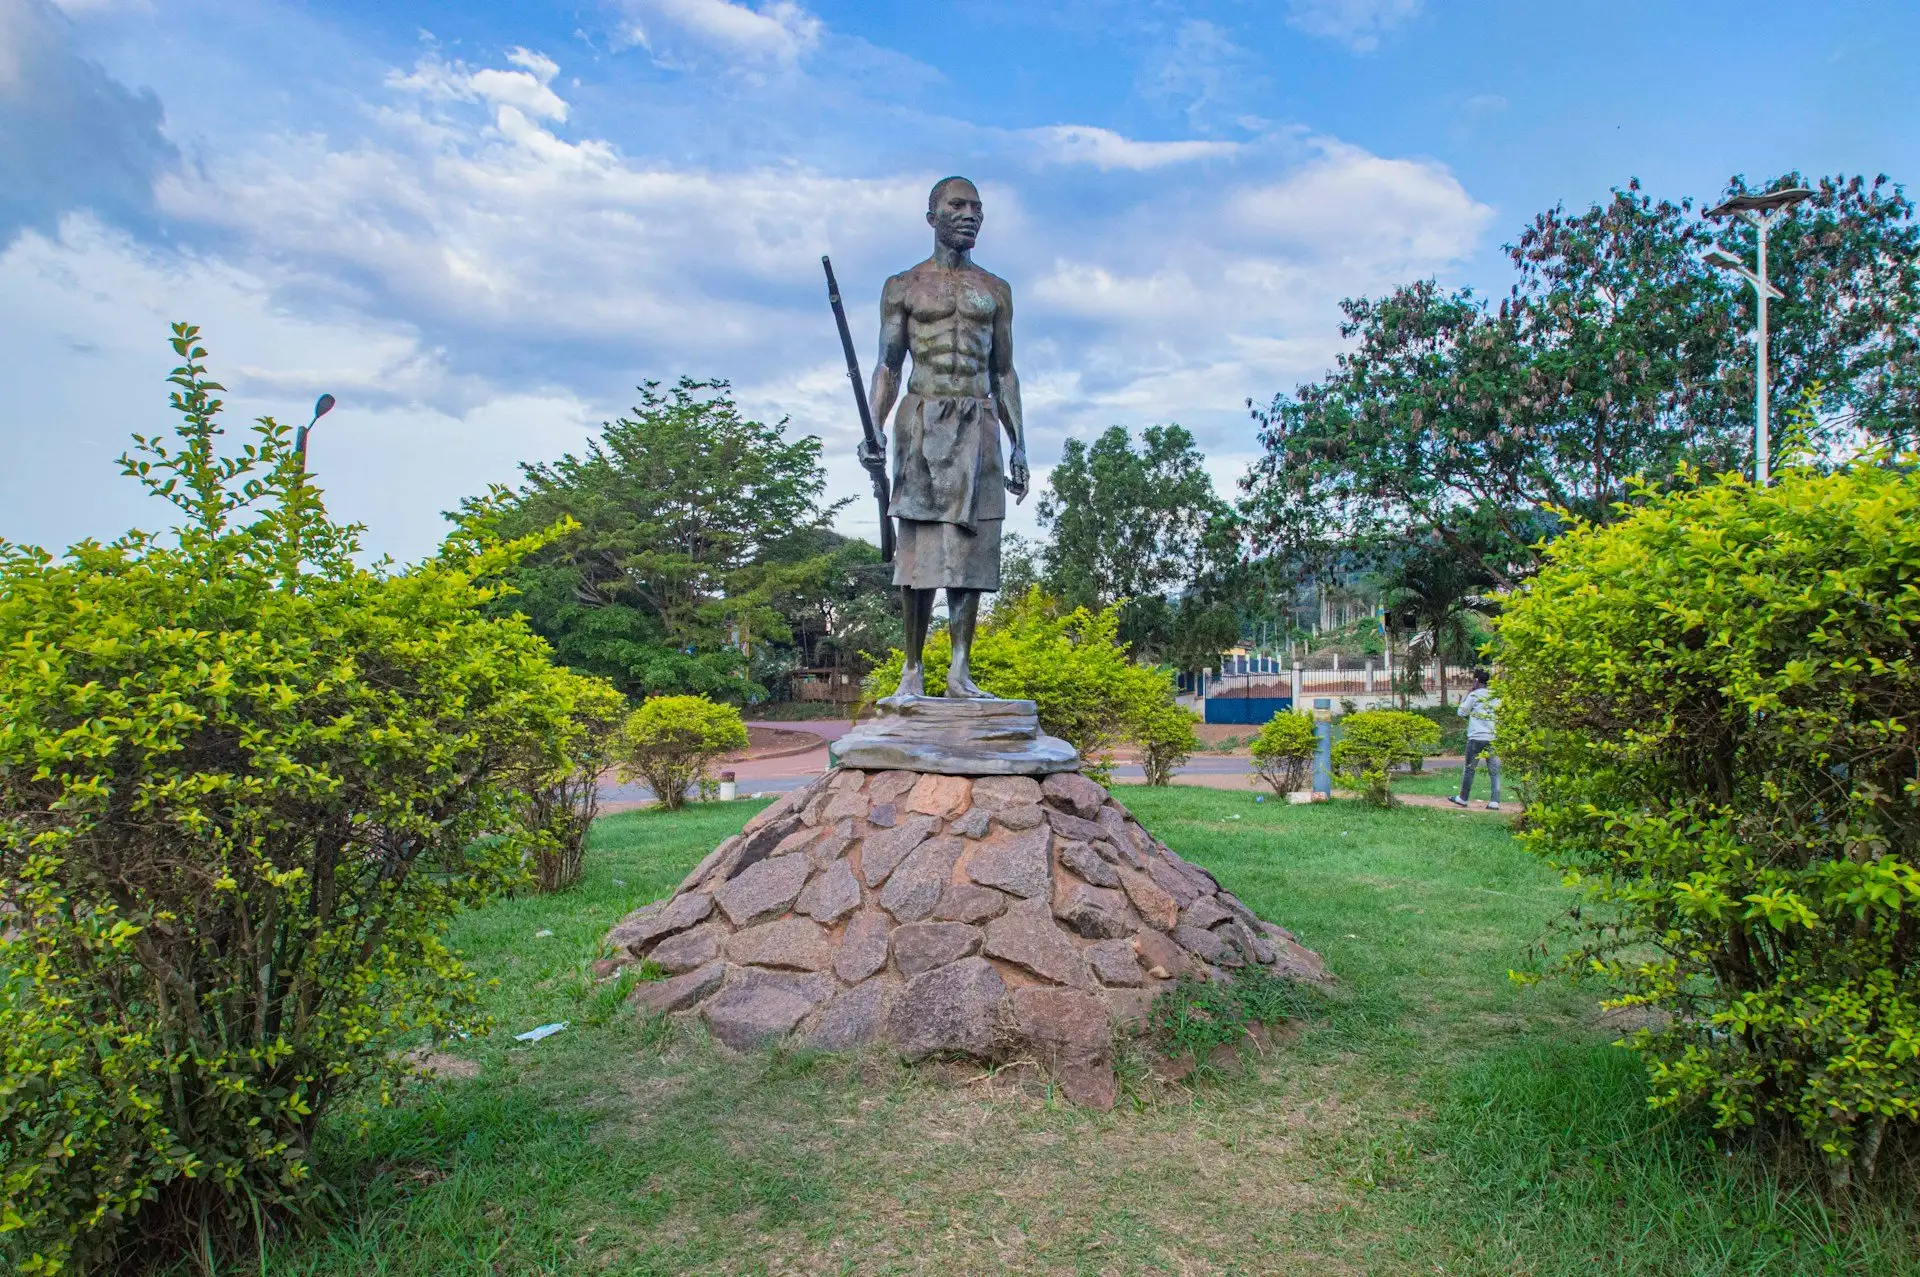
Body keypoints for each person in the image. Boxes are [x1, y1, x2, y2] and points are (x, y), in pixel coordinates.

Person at [861, 175, 1031, 699]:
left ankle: (960, 671)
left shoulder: (995, 290)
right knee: (918, 552)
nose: (970, 215)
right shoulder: (903, 286)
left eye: (977, 207)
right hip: (921, 421)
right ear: (931, 215)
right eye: (958, 205)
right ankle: (911, 671)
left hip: (977, 423)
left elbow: (1003, 371)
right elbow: (888, 365)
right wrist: (874, 427)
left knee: (972, 548)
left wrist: (1019, 441)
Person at [1449, 668, 1500, 810]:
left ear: (1476, 680)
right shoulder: (1495, 696)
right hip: (1492, 737)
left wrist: (1468, 695)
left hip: (1475, 738)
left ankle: (1463, 798)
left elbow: (1461, 712)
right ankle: (1495, 801)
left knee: (1470, 769)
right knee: (1494, 770)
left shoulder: (1474, 695)